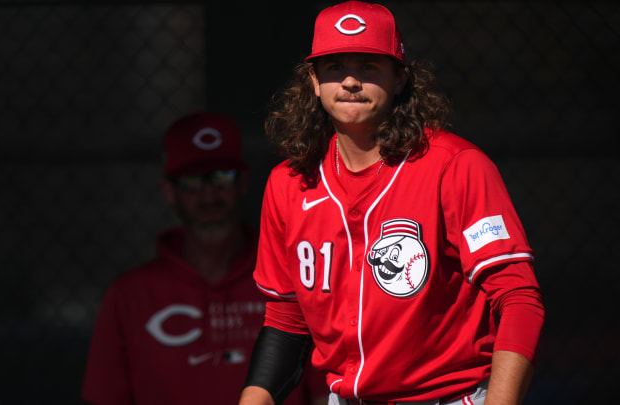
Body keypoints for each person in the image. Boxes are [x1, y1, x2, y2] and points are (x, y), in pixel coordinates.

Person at [239, 2, 545, 405]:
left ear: (400, 78)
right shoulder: (289, 183)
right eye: (335, 67)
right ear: (313, 81)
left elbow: (519, 300)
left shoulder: (454, 166)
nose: (350, 81)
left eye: (368, 66)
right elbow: (287, 318)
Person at [81, 111, 327, 405]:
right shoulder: (129, 296)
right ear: (168, 190)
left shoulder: (294, 278)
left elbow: (324, 394)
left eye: (222, 178)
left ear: (244, 182)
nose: (209, 196)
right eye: (193, 182)